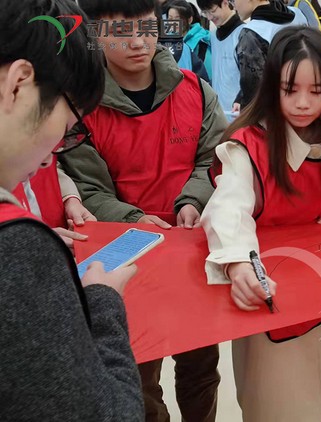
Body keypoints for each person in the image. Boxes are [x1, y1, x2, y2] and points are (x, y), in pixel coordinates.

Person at [60, 1, 228, 421]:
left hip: (191, 252)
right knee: (138, 376)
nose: (138, 41)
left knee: (200, 367)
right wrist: (133, 219)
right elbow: (88, 188)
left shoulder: (195, 90)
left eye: (146, 27)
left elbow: (216, 159)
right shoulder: (80, 108)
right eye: (120, 31)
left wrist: (192, 200)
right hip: (124, 261)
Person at [202, 27, 321, 422]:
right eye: (290, 89)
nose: (303, 103)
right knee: (281, 402)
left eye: (317, 90)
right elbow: (227, 210)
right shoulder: (248, 145)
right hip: (271, 291)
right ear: (272, 86)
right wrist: (238, 264)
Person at [0, 0, 144, 419]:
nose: (51, 158)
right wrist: (102, 303)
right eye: (65, 129)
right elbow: (111, 413)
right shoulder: (17, 247)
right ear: (18, 84)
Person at [231, 0, 308, 110]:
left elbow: (254, 92)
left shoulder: (252, 34)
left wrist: (245, 107)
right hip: (308, 102)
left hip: (276, 112)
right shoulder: (298, 15)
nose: (233, 6)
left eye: (233, 0)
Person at [197, 0, 246, 113]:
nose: (209, 17)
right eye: (205, 13)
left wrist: (241, 100)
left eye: (212, 11)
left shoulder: (244, 33)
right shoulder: (213, 36)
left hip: (239, 111)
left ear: (225, 3)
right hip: (218, 111)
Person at [165, 0, 212, 83]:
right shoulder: (165, 41)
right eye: (170, 18)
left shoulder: (201, 42)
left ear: (190, 20)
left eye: (178, 19)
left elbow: (208, 75)